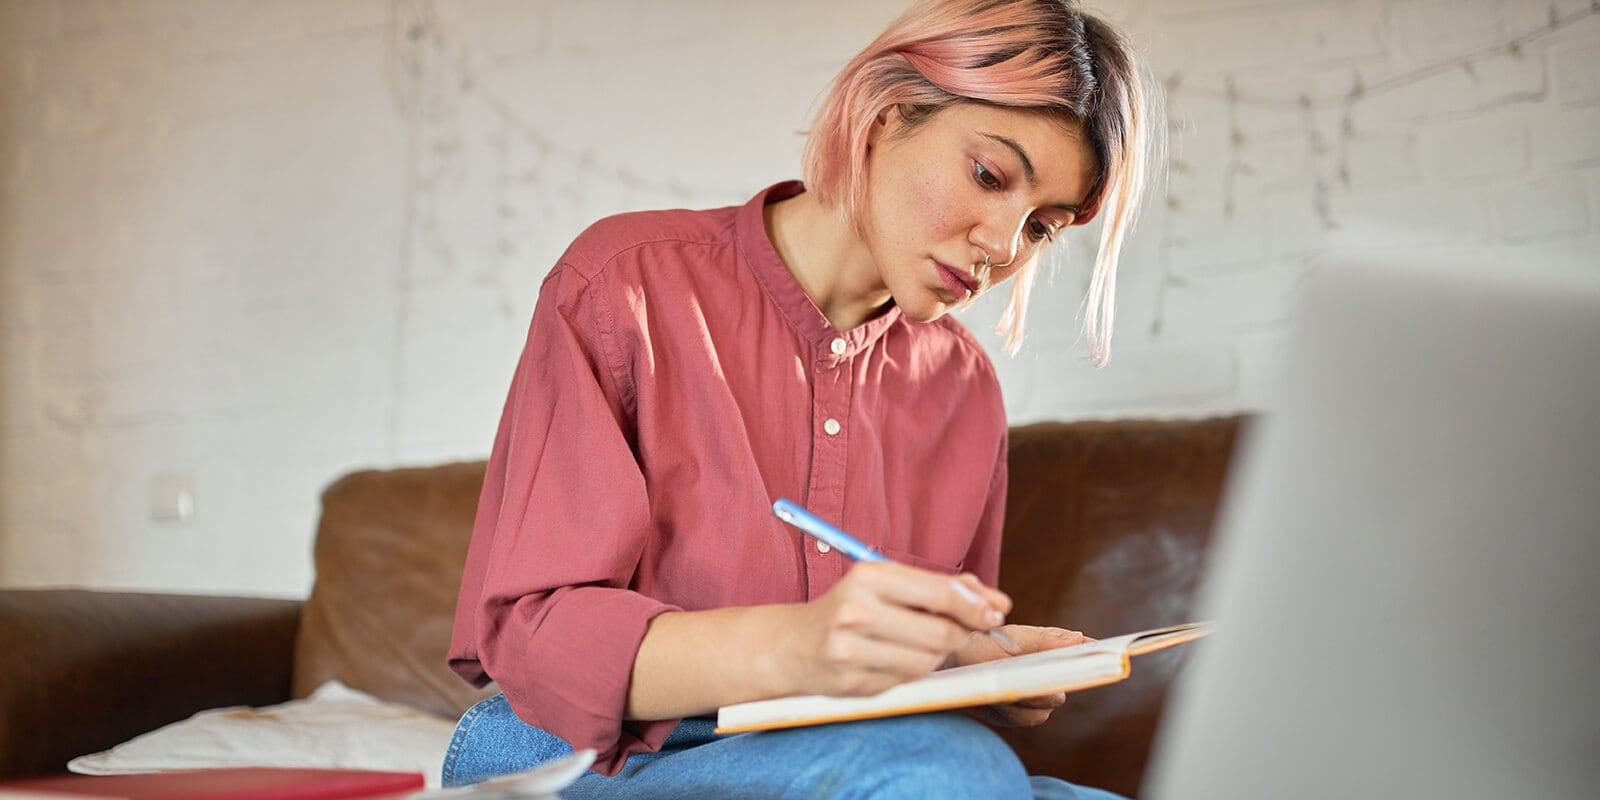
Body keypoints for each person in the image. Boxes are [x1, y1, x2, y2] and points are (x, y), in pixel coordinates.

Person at [442, 0, 1159, 796]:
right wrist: (801, 644)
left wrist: (967, 660)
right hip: (587, 756)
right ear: (886, 116)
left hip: (842, 756)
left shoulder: (963, 387)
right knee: (952, 768)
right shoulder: (626, 282)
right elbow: (534, 634)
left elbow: (907, 691)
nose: (1001, 244)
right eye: (988, 176)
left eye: (1042, 227)